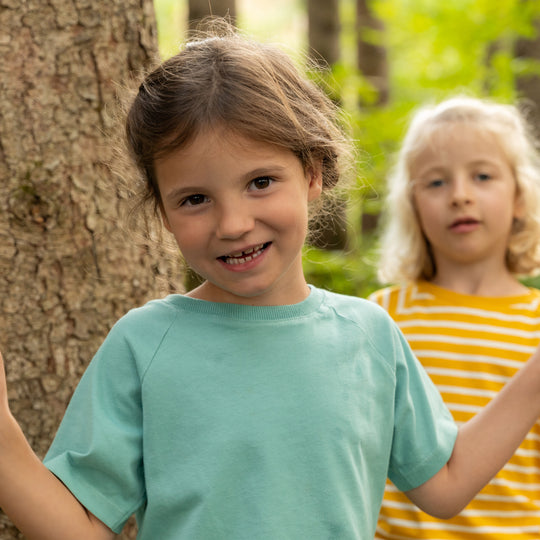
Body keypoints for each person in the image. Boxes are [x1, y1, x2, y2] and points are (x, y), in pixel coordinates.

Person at [1, 23, 540, 540]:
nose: (233, 224)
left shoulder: (370, 335)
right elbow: (83, 527)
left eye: (260, 182)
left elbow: (444, 485)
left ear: (312, 173)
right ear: (162, 211)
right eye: (195, 199)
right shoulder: (144, 345)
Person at [370, 95, 540, 539]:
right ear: (413, 206)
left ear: (520, 197)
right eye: (436, 183)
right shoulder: (382, 316)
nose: (460, 195)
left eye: (482, 176)